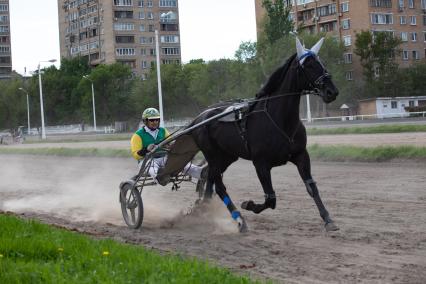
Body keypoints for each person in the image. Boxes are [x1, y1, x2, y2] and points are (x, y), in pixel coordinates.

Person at [130, 107, 207, 185]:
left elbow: (170, 143)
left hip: (164, 157)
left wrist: (170, 145)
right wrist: (146, 149)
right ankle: (160, 177)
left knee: (181, 163)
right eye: (152, 120)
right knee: (152, 167)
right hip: (147, 160)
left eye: (157, 119)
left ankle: (202, 173)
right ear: (145, 121)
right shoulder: (137, 135)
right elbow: (136, 155)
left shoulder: (163, 131)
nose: (155, 122)